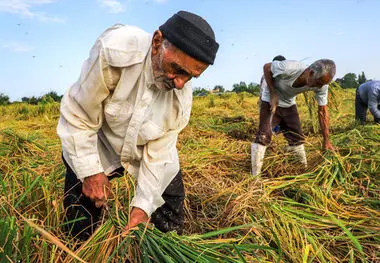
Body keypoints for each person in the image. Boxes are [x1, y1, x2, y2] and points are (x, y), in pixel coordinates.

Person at [57, 11, 219, 240]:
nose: (181, 83)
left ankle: (165, 248)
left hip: (145, 149)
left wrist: (142, 208)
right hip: (99, 142)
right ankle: (80, 247)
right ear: (156, 42)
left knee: (169, 211)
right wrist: (91, 172)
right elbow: (78, 114)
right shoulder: (115, 52)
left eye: (191, 76)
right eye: (178, 69)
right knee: (80, 217)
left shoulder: (180, 101)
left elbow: (159, 153)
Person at [251, 59, 336, 176]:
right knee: (264, 136)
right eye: (318, 83)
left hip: (289, 102)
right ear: (310, 73)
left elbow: (323, 111)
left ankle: (303, 170)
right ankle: (255, 177)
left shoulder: (322, 86)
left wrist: (326, 140)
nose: (319, 87)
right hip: (270, 98)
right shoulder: (290, 67)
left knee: (297, 138)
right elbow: (267, 67)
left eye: (322, 85)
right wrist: (272, 92)